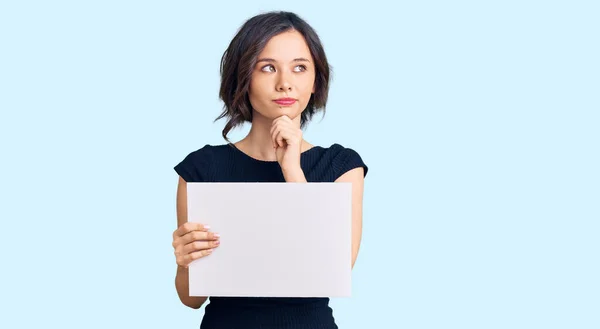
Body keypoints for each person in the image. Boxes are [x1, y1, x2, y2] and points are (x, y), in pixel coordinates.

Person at [171, 10, 368, 329]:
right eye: (267, 67)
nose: (285, 83)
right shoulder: (201, 168)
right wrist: (184, 263)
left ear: (315, 81)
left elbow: (334, 273)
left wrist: (292, 170)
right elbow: (191, 299)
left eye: (300, 68)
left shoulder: (341, 166)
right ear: (243, 76)